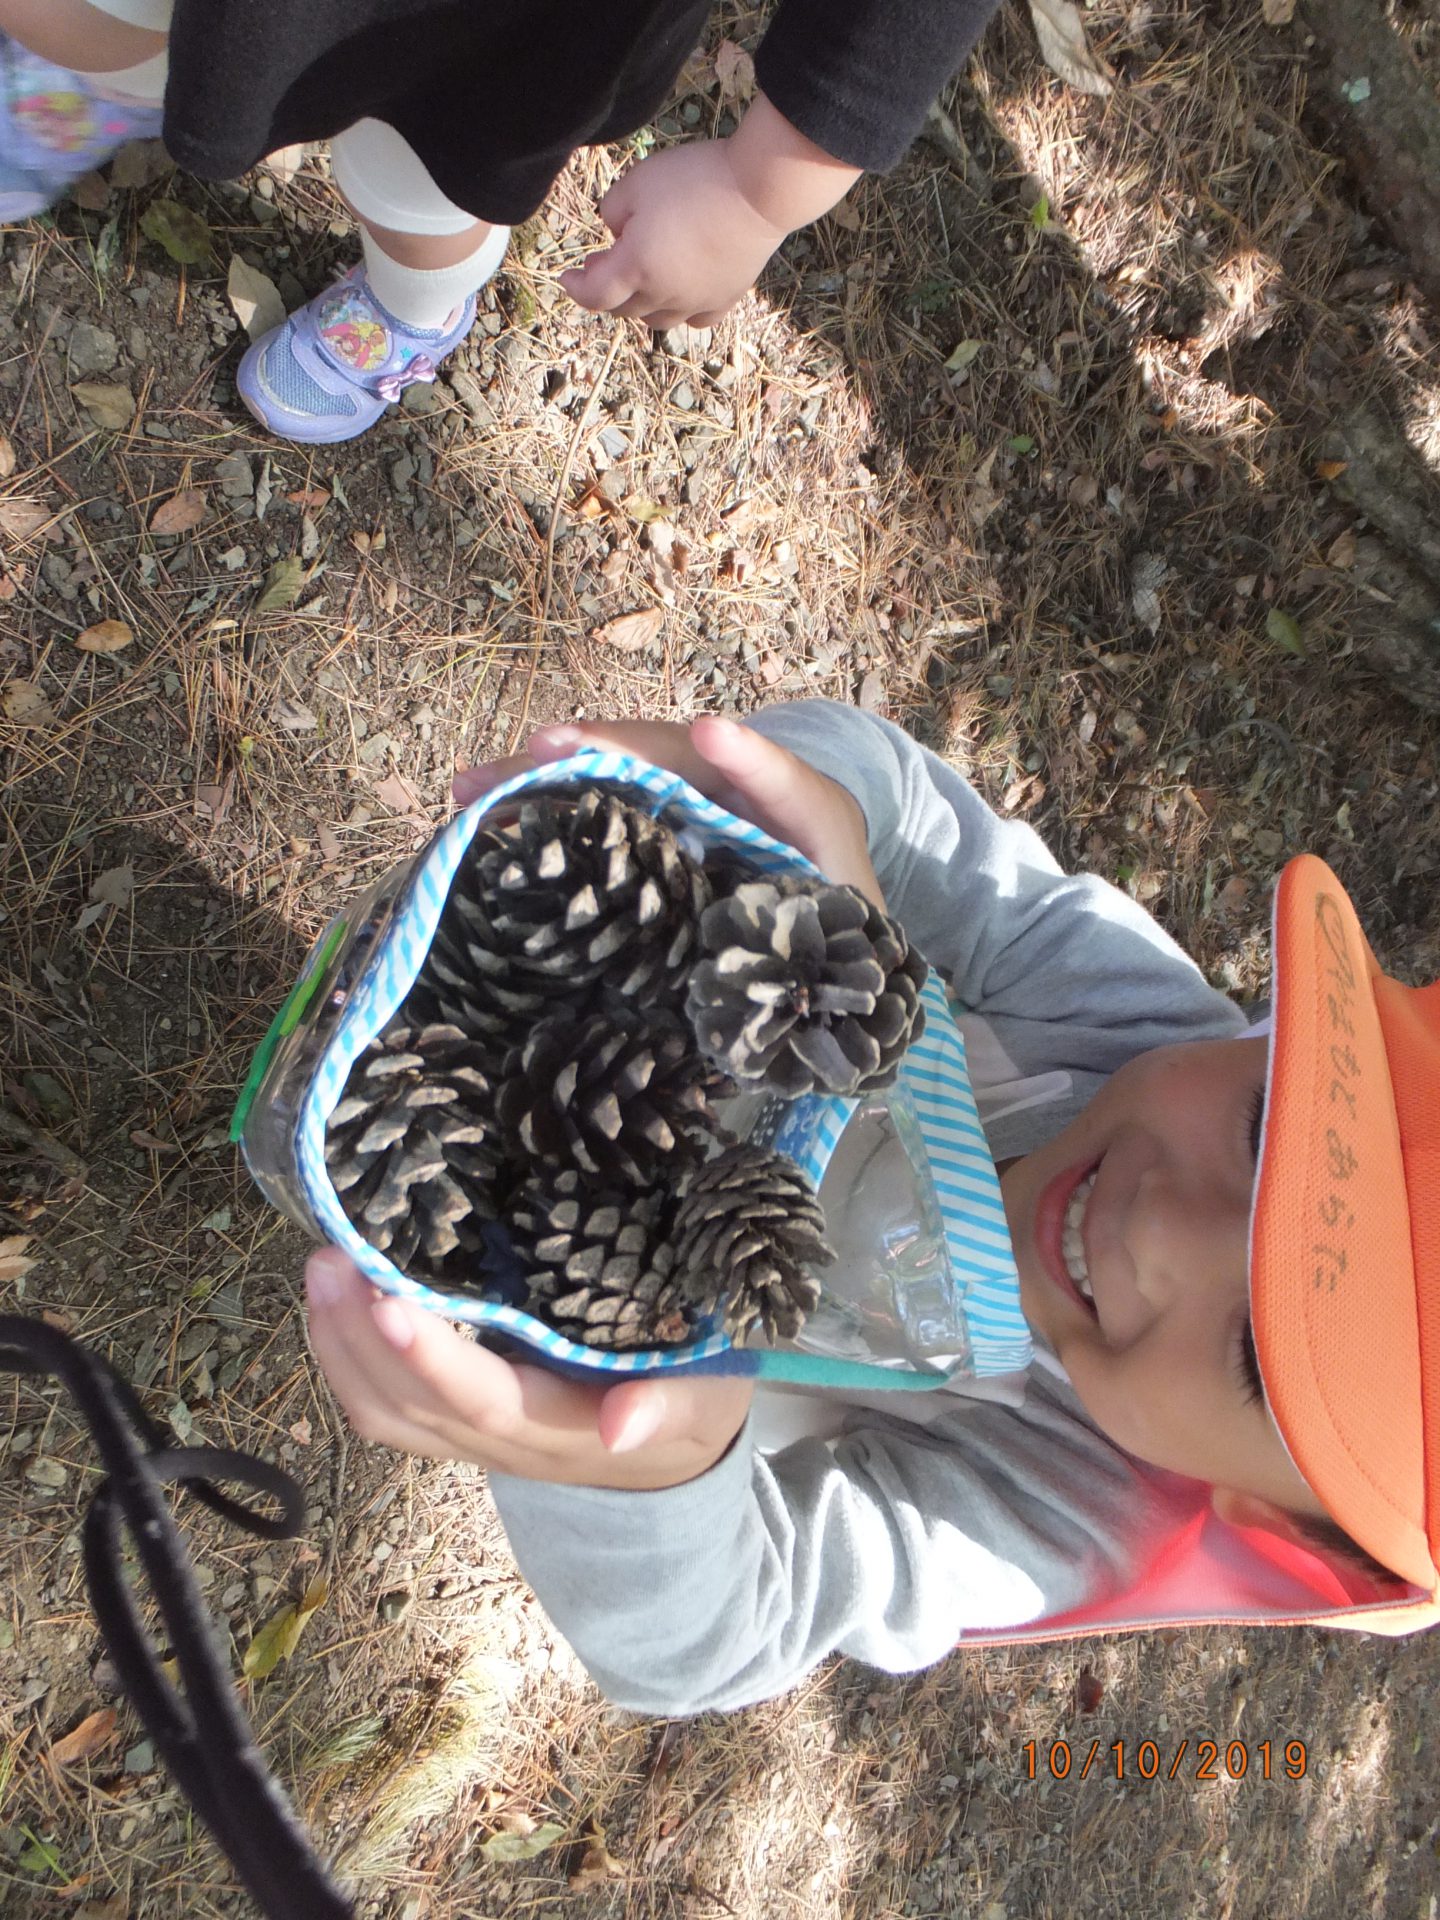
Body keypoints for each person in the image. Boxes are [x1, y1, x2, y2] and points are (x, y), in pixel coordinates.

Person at [304, 700, 1440, 1714]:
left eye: (1256, 1355)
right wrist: (804, 811)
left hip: (527, 1263)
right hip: (552, 1003)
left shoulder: (1066, 1512)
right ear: (1266, 1040)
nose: (1154, 1228)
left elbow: (721, 1638)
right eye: (1260, 1129)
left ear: (1263, 1512)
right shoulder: (1132, 1015)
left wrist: (656, 1470)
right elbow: (905, 815)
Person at [0, 0, 1001, 443]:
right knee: (86, 16)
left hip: (497, 27)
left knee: (415, 179)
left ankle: (414, 306)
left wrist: (759, 187)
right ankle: (128, 81)